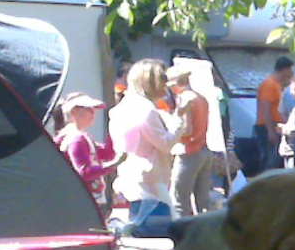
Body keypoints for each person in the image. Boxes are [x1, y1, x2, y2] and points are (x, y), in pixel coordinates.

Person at [109, 59, 180, 234]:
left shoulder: (123, 107)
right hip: (151, 184)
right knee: (154, 238)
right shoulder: (146, 110)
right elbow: (165, 143)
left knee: (139, 232)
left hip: (134, 178)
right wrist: (180, 123)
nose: (167, 84)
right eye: (163, 79)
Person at [53, 91, 117, 211]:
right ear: (73, 113)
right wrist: (111, 166)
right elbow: (85, 172)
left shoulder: (81, 137)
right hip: (84, 200)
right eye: (88, 109)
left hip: (86, 199)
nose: (93, 113)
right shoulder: (76, 138)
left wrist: (114, 129)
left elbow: (107, 153)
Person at [166, 61, 216, 216]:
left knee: (180, 199)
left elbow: (187, 129)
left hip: (189, 151)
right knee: (203, 201)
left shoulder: (184, 99)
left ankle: (184, 235)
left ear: (174, 85)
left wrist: (171, 132)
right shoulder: (201, 98)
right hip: (205, 150)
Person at [252, 56, 295, 176]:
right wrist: (270, 131)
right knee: (269, 161)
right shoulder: (269, 84)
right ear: (284, 69)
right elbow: (265, 109)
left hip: (275, 126)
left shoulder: (277, 84)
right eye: (290, 70)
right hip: (266, 127)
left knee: (274, 161)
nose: (291, 73)